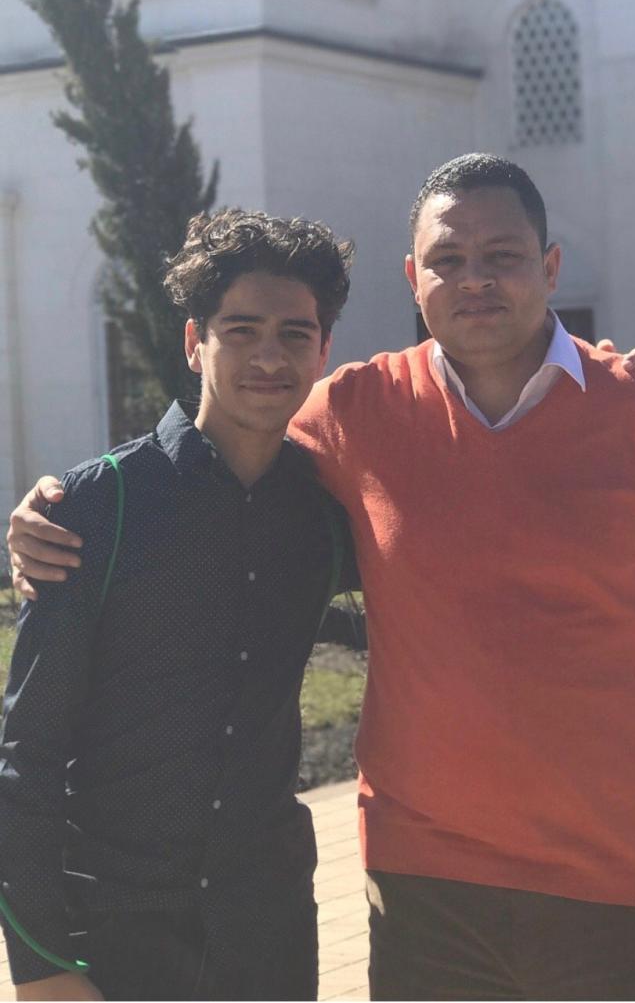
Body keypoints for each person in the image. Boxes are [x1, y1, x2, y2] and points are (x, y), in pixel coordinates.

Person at [8, 153, 635, 1002]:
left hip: (607, 892)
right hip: (403, 902)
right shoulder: (329, 422)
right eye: (446, 260)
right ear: (414, 278)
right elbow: (25, 753)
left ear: (549, 268)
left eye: (502, 256)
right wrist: (54, 508)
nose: (473, 279)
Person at [0, 209, 364, 1001]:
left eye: (295, 334)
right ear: (195, 341)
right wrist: (39, 964)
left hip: (266, 929)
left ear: (324, 349)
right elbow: (24, 758)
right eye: (242, 330)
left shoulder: (324, 515)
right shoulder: (99, 506)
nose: (270, 356)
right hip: (114, 936)